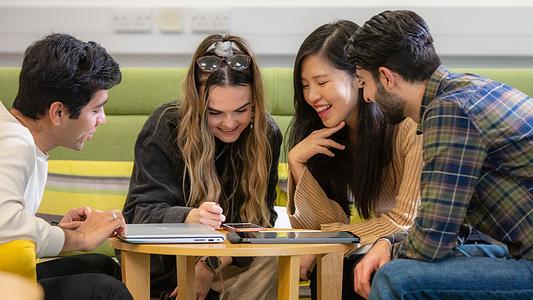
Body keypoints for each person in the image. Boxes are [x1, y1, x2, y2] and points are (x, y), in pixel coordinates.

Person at [345, 10, 533, 299]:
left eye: (363, 83)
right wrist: (389, 241)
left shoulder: (450, 111)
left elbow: (431, 241)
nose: (367, 97)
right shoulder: (468, 90)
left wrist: (390, 248)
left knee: (395, 278)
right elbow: (448, 225)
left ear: (386, 77)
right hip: (521, 251)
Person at [123, 33, 282, 300]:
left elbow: (260, 222)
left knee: (274, 260)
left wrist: (209, 264)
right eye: (214, 113)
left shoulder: (266, 134)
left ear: (255, 104)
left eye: (242, 110)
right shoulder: (165, 125)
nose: (229, 124)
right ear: (197, 103)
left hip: (228, 265)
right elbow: (139, 214)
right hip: (168, 271)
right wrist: (190, 217)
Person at [286, 20, 423, 299]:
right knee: (333, 264)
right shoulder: (331, 134)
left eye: (322, 82)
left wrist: (330, 238)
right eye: (304, 85)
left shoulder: (408, 125)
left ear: (359, 77)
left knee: (354, 269)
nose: (312, 96)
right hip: (377, 246)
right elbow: (321, 228)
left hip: (430, 246)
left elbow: (406, 220)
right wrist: (297, 164)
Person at [0, 33, 132, 299]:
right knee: (105, 291)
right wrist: (79, 238)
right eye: (96, 110)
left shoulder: (16, 136)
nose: (102, 120)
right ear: (58, 112)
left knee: (103, 266)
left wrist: (55, 228)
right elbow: (4, 226)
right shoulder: (15, 143)